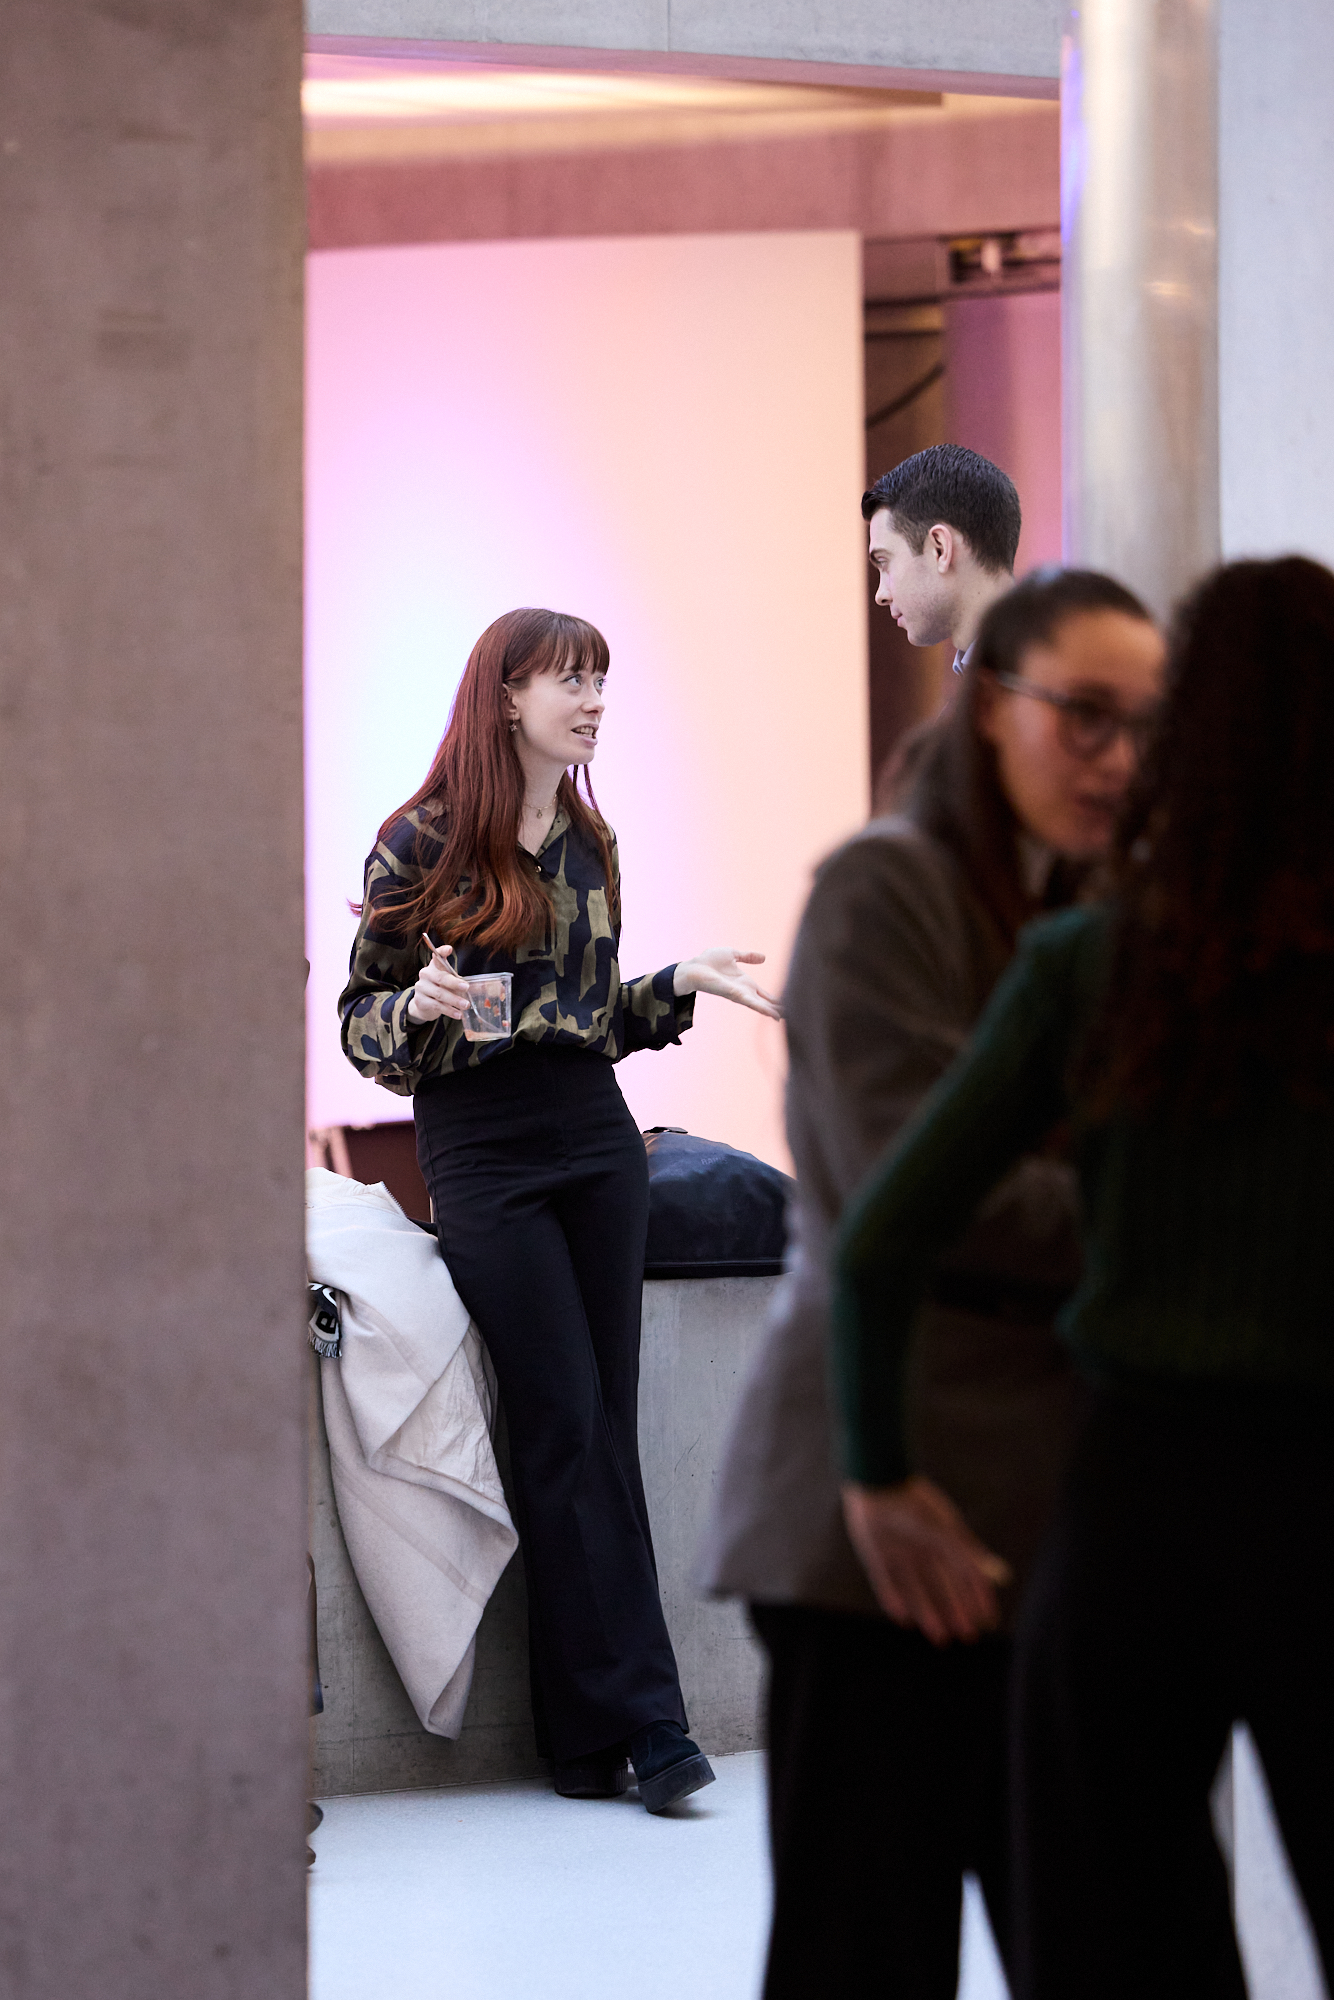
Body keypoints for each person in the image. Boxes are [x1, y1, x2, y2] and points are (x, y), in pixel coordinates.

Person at [831, 557, 1334, 1999]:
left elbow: (879, 1240)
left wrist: (877, 1473)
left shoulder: (1092, 961)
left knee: (1115, 1947)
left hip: (1131, 1510)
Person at [696, 564, 1165, 1994]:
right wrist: (1163, 1205)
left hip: (1054, 1494)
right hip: (873, 1494)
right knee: (865, 1950)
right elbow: (914, 1186)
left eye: (1146, 724)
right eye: (1083, 715)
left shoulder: (1110, 906)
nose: (1118, 758)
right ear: (990, 710)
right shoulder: (884, 887)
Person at [340, 606, 780, 1813]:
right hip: (480, 1145)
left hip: (592, 1135)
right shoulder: (418, 840)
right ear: (505, 696)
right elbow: (361, 1026)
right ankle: (652, 1721)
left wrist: (675, 983)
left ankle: (583, 1742)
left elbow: (588, 1020)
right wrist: (415, 1007)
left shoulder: (590, 841)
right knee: (563, 1418)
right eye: (569, 680)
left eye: (599, 679)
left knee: (594, 1429)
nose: (592, 701)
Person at [865, 443, 1023, 673]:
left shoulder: (1035, 682)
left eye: (884, 562)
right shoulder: (1005, 671)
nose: (881, 595)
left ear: (940, 548)